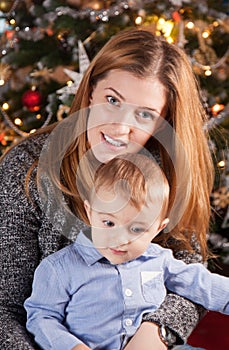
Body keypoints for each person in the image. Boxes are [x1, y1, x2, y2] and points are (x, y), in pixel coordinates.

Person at [0, 28, 214, 349]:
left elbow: (189, 269)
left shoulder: (164, 168)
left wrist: (155, 332)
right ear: (90, 94)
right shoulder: (28, 168)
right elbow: (7, 307)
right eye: (112, 101)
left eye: (144, 115)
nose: (119, 127)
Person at [24, 154, 229, 350]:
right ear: (90, 212)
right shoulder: (59, 268)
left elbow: (202, 283)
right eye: (109, 222)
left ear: (158, 228)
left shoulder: (159, 260)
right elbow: (42, 317)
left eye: (137, 229)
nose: (120, 239)